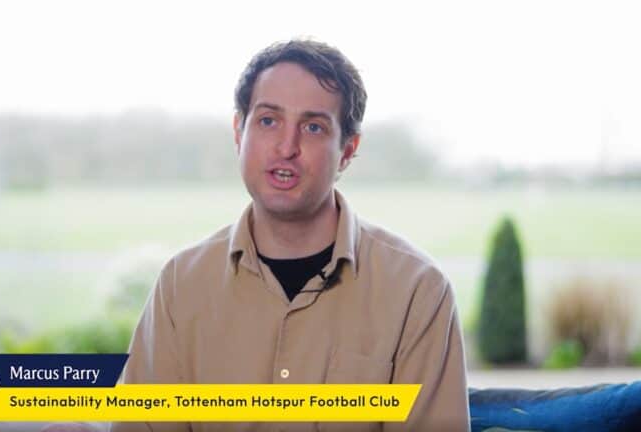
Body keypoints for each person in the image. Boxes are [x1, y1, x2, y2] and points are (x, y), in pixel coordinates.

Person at [111, 39, 470, 432]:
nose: (287, 147)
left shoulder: (418, 291)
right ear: (238, 131)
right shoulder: (180, 285)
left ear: (348, 150)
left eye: (313, 127)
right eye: (268, 120)